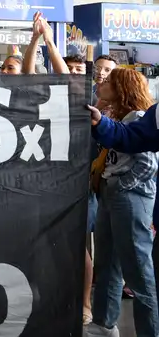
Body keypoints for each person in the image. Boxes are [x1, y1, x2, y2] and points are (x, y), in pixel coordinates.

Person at [87, 68, 159, 337]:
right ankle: (103, 323)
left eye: (109, 81)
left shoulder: (138, 117)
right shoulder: (120, 117)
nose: (101, 83)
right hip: (112, 193)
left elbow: (148, 164)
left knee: (138, 271)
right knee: (107, 262)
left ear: (122, 88)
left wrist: (122, 186)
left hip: (130, 197)